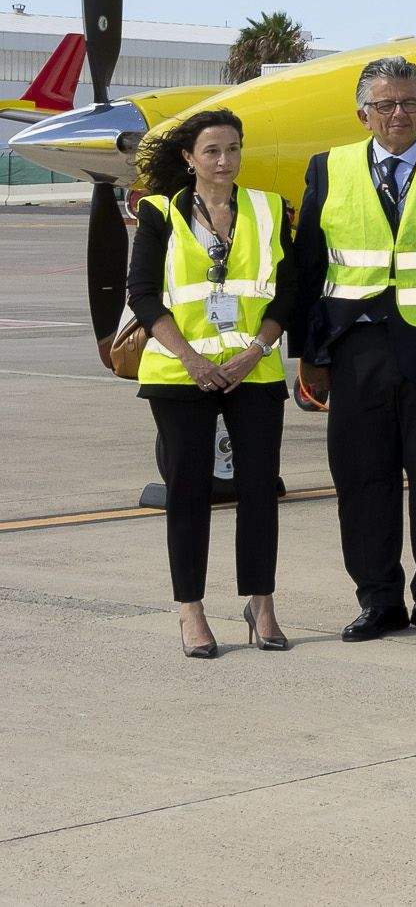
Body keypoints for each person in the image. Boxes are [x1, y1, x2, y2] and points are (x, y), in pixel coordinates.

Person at [286, 57, 416, 642]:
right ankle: (377, 599)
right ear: (363, 114)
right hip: (355, 351)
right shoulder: (329, 169)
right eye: (386, 105)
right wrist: (309, 353)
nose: (399, 114)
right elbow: (308, 268)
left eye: (411, 103)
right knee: (361, 479)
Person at [125, 108, 305, 657]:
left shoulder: (267, 208)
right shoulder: (160, 213)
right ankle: (191, 612)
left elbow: (287, 295)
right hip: (180, 375)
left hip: (253, 371)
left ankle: (262, 603)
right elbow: (144, 294)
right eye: (211, 151)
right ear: (189, 158)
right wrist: (193, 360)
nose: (224, 161)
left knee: (259, 492)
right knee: (188, 493)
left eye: (232, 149)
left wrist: (255, 352)